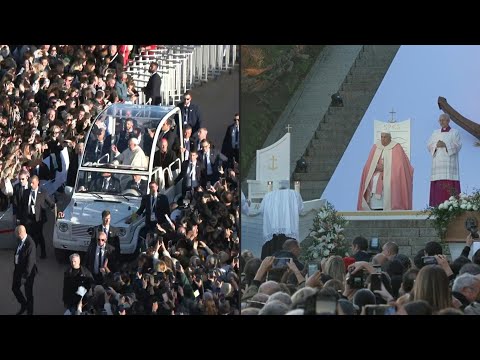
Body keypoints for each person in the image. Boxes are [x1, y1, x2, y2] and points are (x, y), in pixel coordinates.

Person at [357, 131, 414, 211]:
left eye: (385, 137)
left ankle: (392, 206)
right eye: (382, 137)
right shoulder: (376, 147)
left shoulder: (396, 147)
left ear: (390, 138)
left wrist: (386, 168)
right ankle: (374, 205)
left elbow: (401, 166)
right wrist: (374, 167)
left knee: (391, 181)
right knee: (373, 179)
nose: (383, 139)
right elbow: (368, 164)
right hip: (376, 172)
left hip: (392, 173)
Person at [258, 180, 304, 259]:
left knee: (271, 259)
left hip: (273, 233)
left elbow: (261, 211)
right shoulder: (294, 194)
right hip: (289, 233)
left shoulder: (268, 195)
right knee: (288, 258)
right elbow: (301, 209)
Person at [427, 113, 462, 206]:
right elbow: (429, 144)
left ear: (448, 121)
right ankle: (437, 205)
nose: (441, 122)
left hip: (449, 165)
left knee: (449, 186)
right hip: (437, 164)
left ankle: (452, 206)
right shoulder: (435, 132)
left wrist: (446, 145)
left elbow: (458, 145)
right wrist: (435, 145)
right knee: (439, 187)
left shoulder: (455, 132)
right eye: (440, 120)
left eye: (443, 120)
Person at [12, 225, 38, 315]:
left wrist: (24, 277)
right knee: (14, 288)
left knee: (28, 294)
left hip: (27, 274)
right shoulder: (20, 240)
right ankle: (24, 305)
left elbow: (30, 264)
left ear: (20, 234)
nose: (15, 236)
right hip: (18, 270)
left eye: (16, 234)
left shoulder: (30, 244)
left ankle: (30, 312)